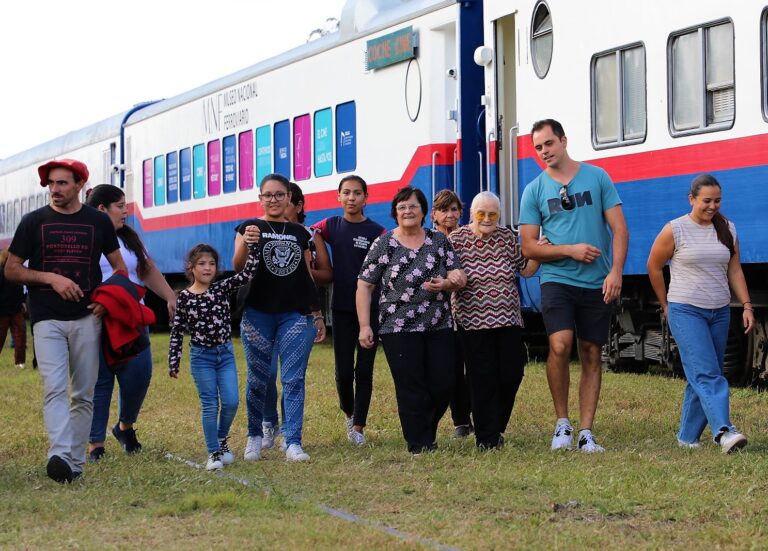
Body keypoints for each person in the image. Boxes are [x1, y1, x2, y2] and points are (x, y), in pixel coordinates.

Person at [4, 159, 127, 483]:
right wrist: (51, 278)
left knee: (83, 393)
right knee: (55, 387)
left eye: (62, 183)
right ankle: (59, 453)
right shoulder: (33, 222)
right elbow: (12, 269)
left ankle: (73, 463)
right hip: (46, 317)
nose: (54, 190)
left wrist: (105, 301)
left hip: (88, 316)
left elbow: (120, 270)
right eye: (51, 184)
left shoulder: (98, 222)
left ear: (79, 186)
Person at [518, 119, 628, 453]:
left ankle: (586, 431)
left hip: (597, 280)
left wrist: (616, 273)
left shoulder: (597, 177)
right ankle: (562, 423)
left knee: (592, 351)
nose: (544, 152)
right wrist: (569, 249)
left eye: (548, 144)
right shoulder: (534, 189)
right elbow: (528, 248)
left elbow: (620, 231)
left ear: (564, 141)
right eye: (538, 148)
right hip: (556, 279)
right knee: (561, 345)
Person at [647, 174, 752, 453]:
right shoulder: (675, 229)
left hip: (719, 311)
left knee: (704, 373)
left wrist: (746, 305)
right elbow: (654, 266)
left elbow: (735, 269)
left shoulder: (727, 228)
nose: (712, 206)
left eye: (717, 200)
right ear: (691, 199)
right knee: (707, 374)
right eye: (706, 200)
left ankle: (687, 438)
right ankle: (724, 431)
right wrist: (666, 304)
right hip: (686, 310)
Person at [357, 186, 466, 454]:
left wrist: (447, 282)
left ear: (423, 211)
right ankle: (419, 442)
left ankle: (424, 430)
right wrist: (364, 325)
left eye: (413, 206)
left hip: (438, 323)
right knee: (410, 385)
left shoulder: (438, 241)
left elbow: (458, 275)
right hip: (397, 326)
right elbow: (364, 286)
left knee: (443, 383)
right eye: (403, 206)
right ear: (395, 212)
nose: (408, 211)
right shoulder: (384, 244)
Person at [234, 173, 326, 463]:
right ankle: (255, 435)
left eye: (279, 194)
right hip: (257, 313)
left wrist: (317, 312)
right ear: (259, 198)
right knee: (258, 379)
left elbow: (306, 276)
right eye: (268, 195)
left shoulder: (301, 233)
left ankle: (293, 440)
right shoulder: (249, 228)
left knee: (294, 379)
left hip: (294, 314)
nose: (273, 200)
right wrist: (248, 244)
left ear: (289, 198)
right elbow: (237, 268)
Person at [84, 185, 177, 461]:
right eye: (121, 205)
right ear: (102, 209)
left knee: (139, 375)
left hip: (133, 317)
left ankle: (125, 426)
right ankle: (95, 444)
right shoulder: (86, 238)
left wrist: (170, 296)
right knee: (100, 381)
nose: (126, 211)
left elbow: (146, 269)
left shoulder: (128, 238)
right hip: (97, 319)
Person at [449, 191, 543, 449]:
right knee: (482, 378)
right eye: (482, 214)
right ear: (471, 215)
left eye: (493, 214)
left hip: (509, 318)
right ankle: (487, 438)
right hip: (472, 320)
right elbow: (447, 271)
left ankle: (494, 425)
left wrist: (537, 251)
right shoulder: (457, 239)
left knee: (512, 374)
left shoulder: (507, 237)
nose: (487, 219)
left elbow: (525, 270)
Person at [168, 236, 260, 471]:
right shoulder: (185, 298)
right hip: (201, 358)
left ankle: (221, 439)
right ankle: (213, 453)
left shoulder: (222, 288)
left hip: (225, 354)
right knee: (210, 405)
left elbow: (247, 274)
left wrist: (253, 246)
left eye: (211, 263)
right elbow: (178, 331)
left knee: (231, 401)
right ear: (191, 267)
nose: (207, 267)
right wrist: (174, 361)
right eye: (202, 263)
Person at [312, 175, 385, 446]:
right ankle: (348, 411)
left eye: (357, 193)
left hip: (370, 310)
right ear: (338, 196)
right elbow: (307, 233)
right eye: (346, 193)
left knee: (364, 370)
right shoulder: (330, 226)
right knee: (343, 372)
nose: (352, 198)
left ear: (366, 198)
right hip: (341, 308)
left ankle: (358, 427)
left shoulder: (377, 232)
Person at [260, 182, 332, 451]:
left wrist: (298, 273)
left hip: (299, 312)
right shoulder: (260, 230)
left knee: (293, 375)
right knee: (266, 374)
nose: (278, 203)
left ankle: (291, 433)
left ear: (297, 204)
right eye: (272, 196)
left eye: (285, 198)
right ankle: (269, 422)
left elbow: (326, 274)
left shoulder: (308, 235)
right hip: (266, 313)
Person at [431, 189, 473, 439]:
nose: (450, 215)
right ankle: (460, 420)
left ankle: (472, 415)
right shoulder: (429, 240)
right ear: (434, 214)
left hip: (468, 309)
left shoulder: (468, 237)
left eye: (454, 209)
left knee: (471, 366)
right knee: (452, 368)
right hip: (440, 312)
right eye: (444, 210)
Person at [0, 249, 27, 369]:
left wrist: (22, 302)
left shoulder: (14, 272)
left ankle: (20, 362)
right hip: (6, 310)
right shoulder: (3, 271)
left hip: (14, 309)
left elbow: (20, 289)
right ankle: (20, 362)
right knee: (12, 336)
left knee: (19, 336)